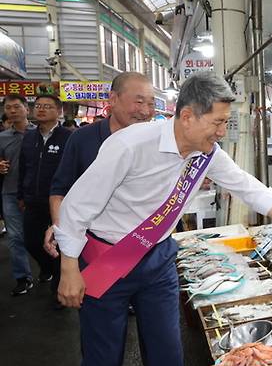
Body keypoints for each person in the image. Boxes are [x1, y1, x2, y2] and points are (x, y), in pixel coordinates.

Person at [54, 72, 272, 366]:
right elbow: (76, 207)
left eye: (225, 122)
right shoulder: (130, 145)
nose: (222, 132)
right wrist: (69, 269)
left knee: (168, 356)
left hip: (158, 260)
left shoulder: (206, 154)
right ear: (187, 116)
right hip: (107, 258)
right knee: (103, 360)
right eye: (217, 122)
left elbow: (249, 188)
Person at [43, 72, 156, 294]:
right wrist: (61, 229)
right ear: (112, 100)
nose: (145, 111)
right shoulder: (82, 138)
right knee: (104, 324)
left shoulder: (156, 140)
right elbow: (60, 190)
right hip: (97, 250)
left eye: (151, 104)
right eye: (139, 101)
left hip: (148, 250)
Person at [18, 94, 72, 285]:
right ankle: (47, 268)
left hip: (59, 201)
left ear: (59, 111)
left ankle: (58, 285)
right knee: (31, 242)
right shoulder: (29, 137)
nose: (40, 109)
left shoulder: (68, 137)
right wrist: (21, 194)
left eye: (47, 106)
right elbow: (23, 167)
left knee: (59, 245)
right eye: (38, 105)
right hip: (33, 199)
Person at [0, 94, 36, 295]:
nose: (12, 111)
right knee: (15, 236)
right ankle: (23, 277)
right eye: (8, 108)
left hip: (37, 193)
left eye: (16, 107)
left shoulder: (39, 133)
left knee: (40, 236)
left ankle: (48, 268)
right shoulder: (2, 138)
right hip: (10, 192)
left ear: (26, 109)